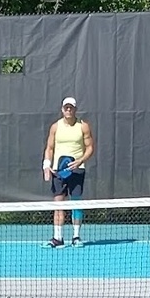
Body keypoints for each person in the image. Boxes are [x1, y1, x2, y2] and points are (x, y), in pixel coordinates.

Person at [41, 96, 95, 247]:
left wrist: (80, 161)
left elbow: (90, 147)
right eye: (66, 107)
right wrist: (47, 165)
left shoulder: (83, 126)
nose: (68, 110)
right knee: (58, 204)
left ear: (75, 109)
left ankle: (76, 237)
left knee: (76, 204)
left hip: (77, 171)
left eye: (71, 107)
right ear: (62, 109)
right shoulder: (55, 127)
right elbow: (49, 148)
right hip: (59, 172)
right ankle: (57, 238)